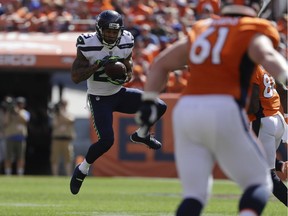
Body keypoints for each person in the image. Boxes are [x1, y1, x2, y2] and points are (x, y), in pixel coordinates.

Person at [135, 0, 288, 215]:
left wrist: (149, 100)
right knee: (260, 183)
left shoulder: (203, 27)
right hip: (224, 107)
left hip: (186, 111)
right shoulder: (252, 28)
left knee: (194, 195)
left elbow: (161, 63)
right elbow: (268, 55)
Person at [69, 10, 167, 195]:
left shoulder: (126, 40)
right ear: (99, 30)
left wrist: (122, 75)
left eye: (115, 32)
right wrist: (98, 65)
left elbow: (129, 69)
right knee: (107, 141)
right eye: (108, 31)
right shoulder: (87, 43)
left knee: (159, 106)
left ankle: (141, 135)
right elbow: (75, 77)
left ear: (120, 31)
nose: (111, 35)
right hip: (99, 98)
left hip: (119, 93)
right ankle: (83, 168)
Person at [248, 66, 288, 207]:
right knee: (260, 162)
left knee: (267, 175)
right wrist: (286, 121)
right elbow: (283, 92)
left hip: (264, 122)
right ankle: (280, 164)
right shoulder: (266, 65)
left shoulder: (252, 68)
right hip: (278, 120)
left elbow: (254, 106)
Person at [4, 97, 30, 175]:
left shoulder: (24, 112)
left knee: (20, 157)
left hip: (21, 138)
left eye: (20, 104)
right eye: (18, 104)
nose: (19, 105)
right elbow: (5, 122)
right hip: (10, 137)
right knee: (8, 157)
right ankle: (8, 173)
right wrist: (9, 111)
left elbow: (25, 120)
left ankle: (20, 173)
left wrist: (17, 111)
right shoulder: (9, 113)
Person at [50, 100, 75, 176]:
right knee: (55, 158)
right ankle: (55, 175)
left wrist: (61, 113)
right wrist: (58, 114)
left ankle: (68, 175)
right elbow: (54, 124)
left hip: (66, 139)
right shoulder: (56, 115)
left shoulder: (69, 114)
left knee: (68, 158)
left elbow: (70, 120)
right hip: (57, 139)